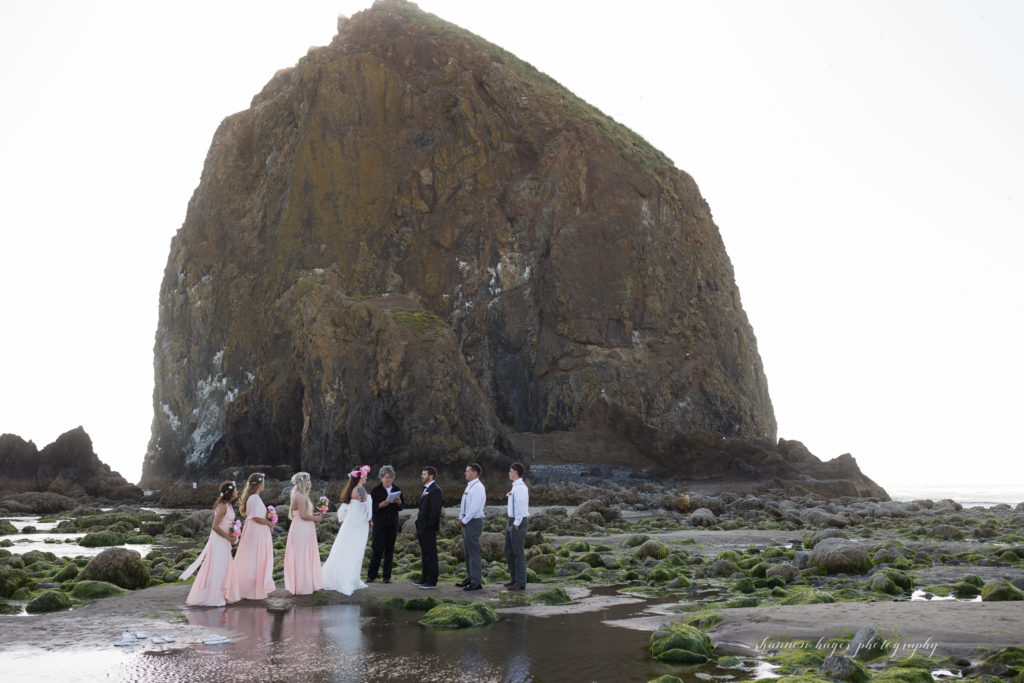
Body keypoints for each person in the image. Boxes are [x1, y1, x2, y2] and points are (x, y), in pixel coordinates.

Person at [182, 481, 241, 606]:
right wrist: (228, 537)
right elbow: (214, 526)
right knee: (218, 566)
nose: (238, 491)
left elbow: (228, 523)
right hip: (219, 540)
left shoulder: (229, 505)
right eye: (236, 489)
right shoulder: (222, 506)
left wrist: (233, 534)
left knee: (224, 566)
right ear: (230, 492)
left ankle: (222, 593)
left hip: (224, 540)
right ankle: (212, 597)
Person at [322, 464, 373, 595]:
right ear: (361, 476)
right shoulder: (360, 490)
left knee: (345, 550)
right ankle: (349, 580)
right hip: (358, 526)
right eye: (366, 474)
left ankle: (347, 578)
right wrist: (370, 519)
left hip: (350, 524)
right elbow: (366, 509)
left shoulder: (352, 489)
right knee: (355, 552)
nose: (367, 476)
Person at [234, 472, 276, 600]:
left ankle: (254, 587)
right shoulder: (255, 498)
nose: (264, 484)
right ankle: (252, 589)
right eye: (263, 482)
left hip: (255, 530)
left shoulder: (253, 497)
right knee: (255, 557)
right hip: (256, 531)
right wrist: (269, 523)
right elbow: (257, 518)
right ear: (259, 484)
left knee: (254, 557)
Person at [283, 472, 324, 595]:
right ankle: (302, 586)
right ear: (302, 482)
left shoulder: (302, 495)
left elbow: (306, 513)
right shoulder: (300, 496)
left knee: (306, 553)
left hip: (305, 527)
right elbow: (303, 515)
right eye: (308, 481)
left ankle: (308, 582)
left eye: (309, 480)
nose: (309, 483)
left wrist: (316, 514)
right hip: (301, 528)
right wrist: (316, 519)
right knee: (302, 555)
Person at [367, 464, 403, 584]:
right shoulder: (375, 490)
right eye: (387, 477)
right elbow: (371, 507)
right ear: (381, 477)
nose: (389, 480)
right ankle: (371, 576)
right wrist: (380, 505)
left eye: (391, 477)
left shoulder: (397, 489)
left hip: (392, 524)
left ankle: (386, 577)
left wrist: (398, 503)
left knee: (389, 551)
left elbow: (401, 508)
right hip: (379, 524)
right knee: (377, 550)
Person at [455, 462, 486, 591]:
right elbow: (465, 505)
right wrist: (461, 517)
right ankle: (470, 577)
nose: (465, 473)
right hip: (467, 521)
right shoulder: (470, 486)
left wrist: (465, 520)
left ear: (475, 473)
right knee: (467, 552)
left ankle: (476, 581)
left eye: (468, 471)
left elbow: (474, 508)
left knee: (473, 552)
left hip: (473, 522)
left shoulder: (478, 487)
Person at [414, 466, 443, 589]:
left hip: (428, 527)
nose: (422, 476)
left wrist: (430, 526)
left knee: (431, 553)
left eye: (424, 474)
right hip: (421, 526)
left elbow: (435, 510)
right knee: (424, 553)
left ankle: (432, 580)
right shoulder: (425, 489)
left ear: (431, 476)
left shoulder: (435, 490)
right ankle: (424, 578)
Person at [503, 462, 530, 591]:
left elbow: (520, 505)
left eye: (510, 470)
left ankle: (520, 582)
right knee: (509, 551)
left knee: (518, 553)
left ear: (516, 472)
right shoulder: (515, 487)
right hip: (512, 521)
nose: (509, 472)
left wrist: (516, 523)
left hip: (517, 522)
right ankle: (514, 579)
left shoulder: (520, 488)